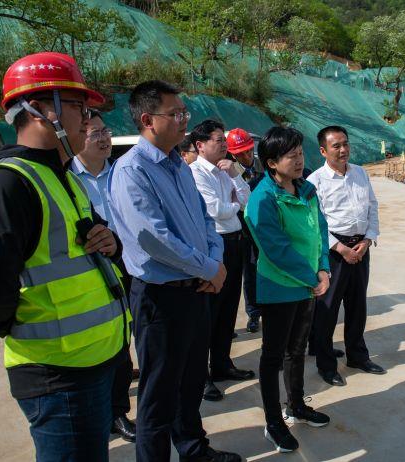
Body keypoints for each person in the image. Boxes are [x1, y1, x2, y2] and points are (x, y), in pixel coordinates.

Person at [0, 52, 130, 461]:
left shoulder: (63, 176)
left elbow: (84, 248)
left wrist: (111, 243)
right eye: (79, 108)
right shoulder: (7, 183)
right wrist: (33, 329)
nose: (88, 121)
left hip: (93, 363)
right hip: (58, 376)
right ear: (41, 109)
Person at [107, 80, 240, 462]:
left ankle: (193, 449)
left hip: (195, 290)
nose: (184, 120)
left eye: (185, 112)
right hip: (160, 298)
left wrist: (215, 261)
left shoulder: (179, 166)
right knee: (158, 395)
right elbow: (153, 238)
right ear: (147, 120)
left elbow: (204, 219)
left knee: (191, 381)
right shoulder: (132, 170)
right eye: (175, 113)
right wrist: (210, 267)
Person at [244, 126, 331, 453]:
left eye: (300, 153)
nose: (299, 160)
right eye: (290, 155)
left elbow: (320, 230)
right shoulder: (262, 198)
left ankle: (296, 405)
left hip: (308, 285)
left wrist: (323, 267)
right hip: (281, 288)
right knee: (273, 357)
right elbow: (276, 249)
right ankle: (273, 422)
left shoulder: (306, 189)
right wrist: (313, 278)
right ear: (271, 163)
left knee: (297, 350)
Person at [71, 110, 136, 442]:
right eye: (94, 133)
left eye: (105, 131)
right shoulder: (67, 179)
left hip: (128, 262)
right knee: (97, 343)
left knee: (123, 337)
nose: (103, 138)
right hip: (89, 272)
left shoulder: (123, 173)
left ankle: (117, 411)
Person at [307, 126, 384, 387]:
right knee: (327, 310)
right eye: (336, 146)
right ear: (323, 150)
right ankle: (326, 365)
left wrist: (368, 239)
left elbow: (372, 206)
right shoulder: (315, 182)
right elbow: (315, 223)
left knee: (357, 306)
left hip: (360, 248)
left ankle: (357, 356)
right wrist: (340, 249)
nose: (343, 150)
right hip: (333, 253)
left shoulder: (360, 172)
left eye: (346, 144)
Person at [186, 120, 255, 403]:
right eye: (218, 140)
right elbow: (215, 210)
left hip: (235, 243)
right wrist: (234, 204)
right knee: (208, 313)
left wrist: (236, 177)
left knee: (228, 308)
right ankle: (200, 375)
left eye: (224, 140)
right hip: (213, 246)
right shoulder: (195, 173)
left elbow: (248, 200)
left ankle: (222, 364)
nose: (224, 145)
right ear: (200, 145)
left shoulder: (226, 169)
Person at [226, 128, 263, 333]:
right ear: (233, 154)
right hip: (244, 229)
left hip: (264, 226)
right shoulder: (229, 171)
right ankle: (253, 314)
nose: (247, 156)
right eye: (242, 153)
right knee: (249, 271)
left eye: (249, 151)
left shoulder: (263, 165)